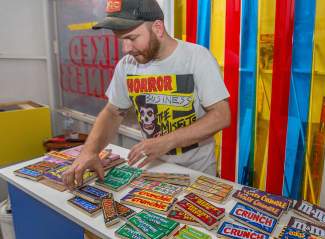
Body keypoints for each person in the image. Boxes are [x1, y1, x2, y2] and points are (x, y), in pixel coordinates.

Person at [62, 0, 231, 190]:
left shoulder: (197, 57)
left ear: (158, 28)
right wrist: (90, 151)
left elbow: (221, 116)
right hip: (152, 169)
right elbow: (112, 113)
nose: (126, 49)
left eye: (132, 38)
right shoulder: (127, 65)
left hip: (198, 172)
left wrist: (166, 141)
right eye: (121, 40)